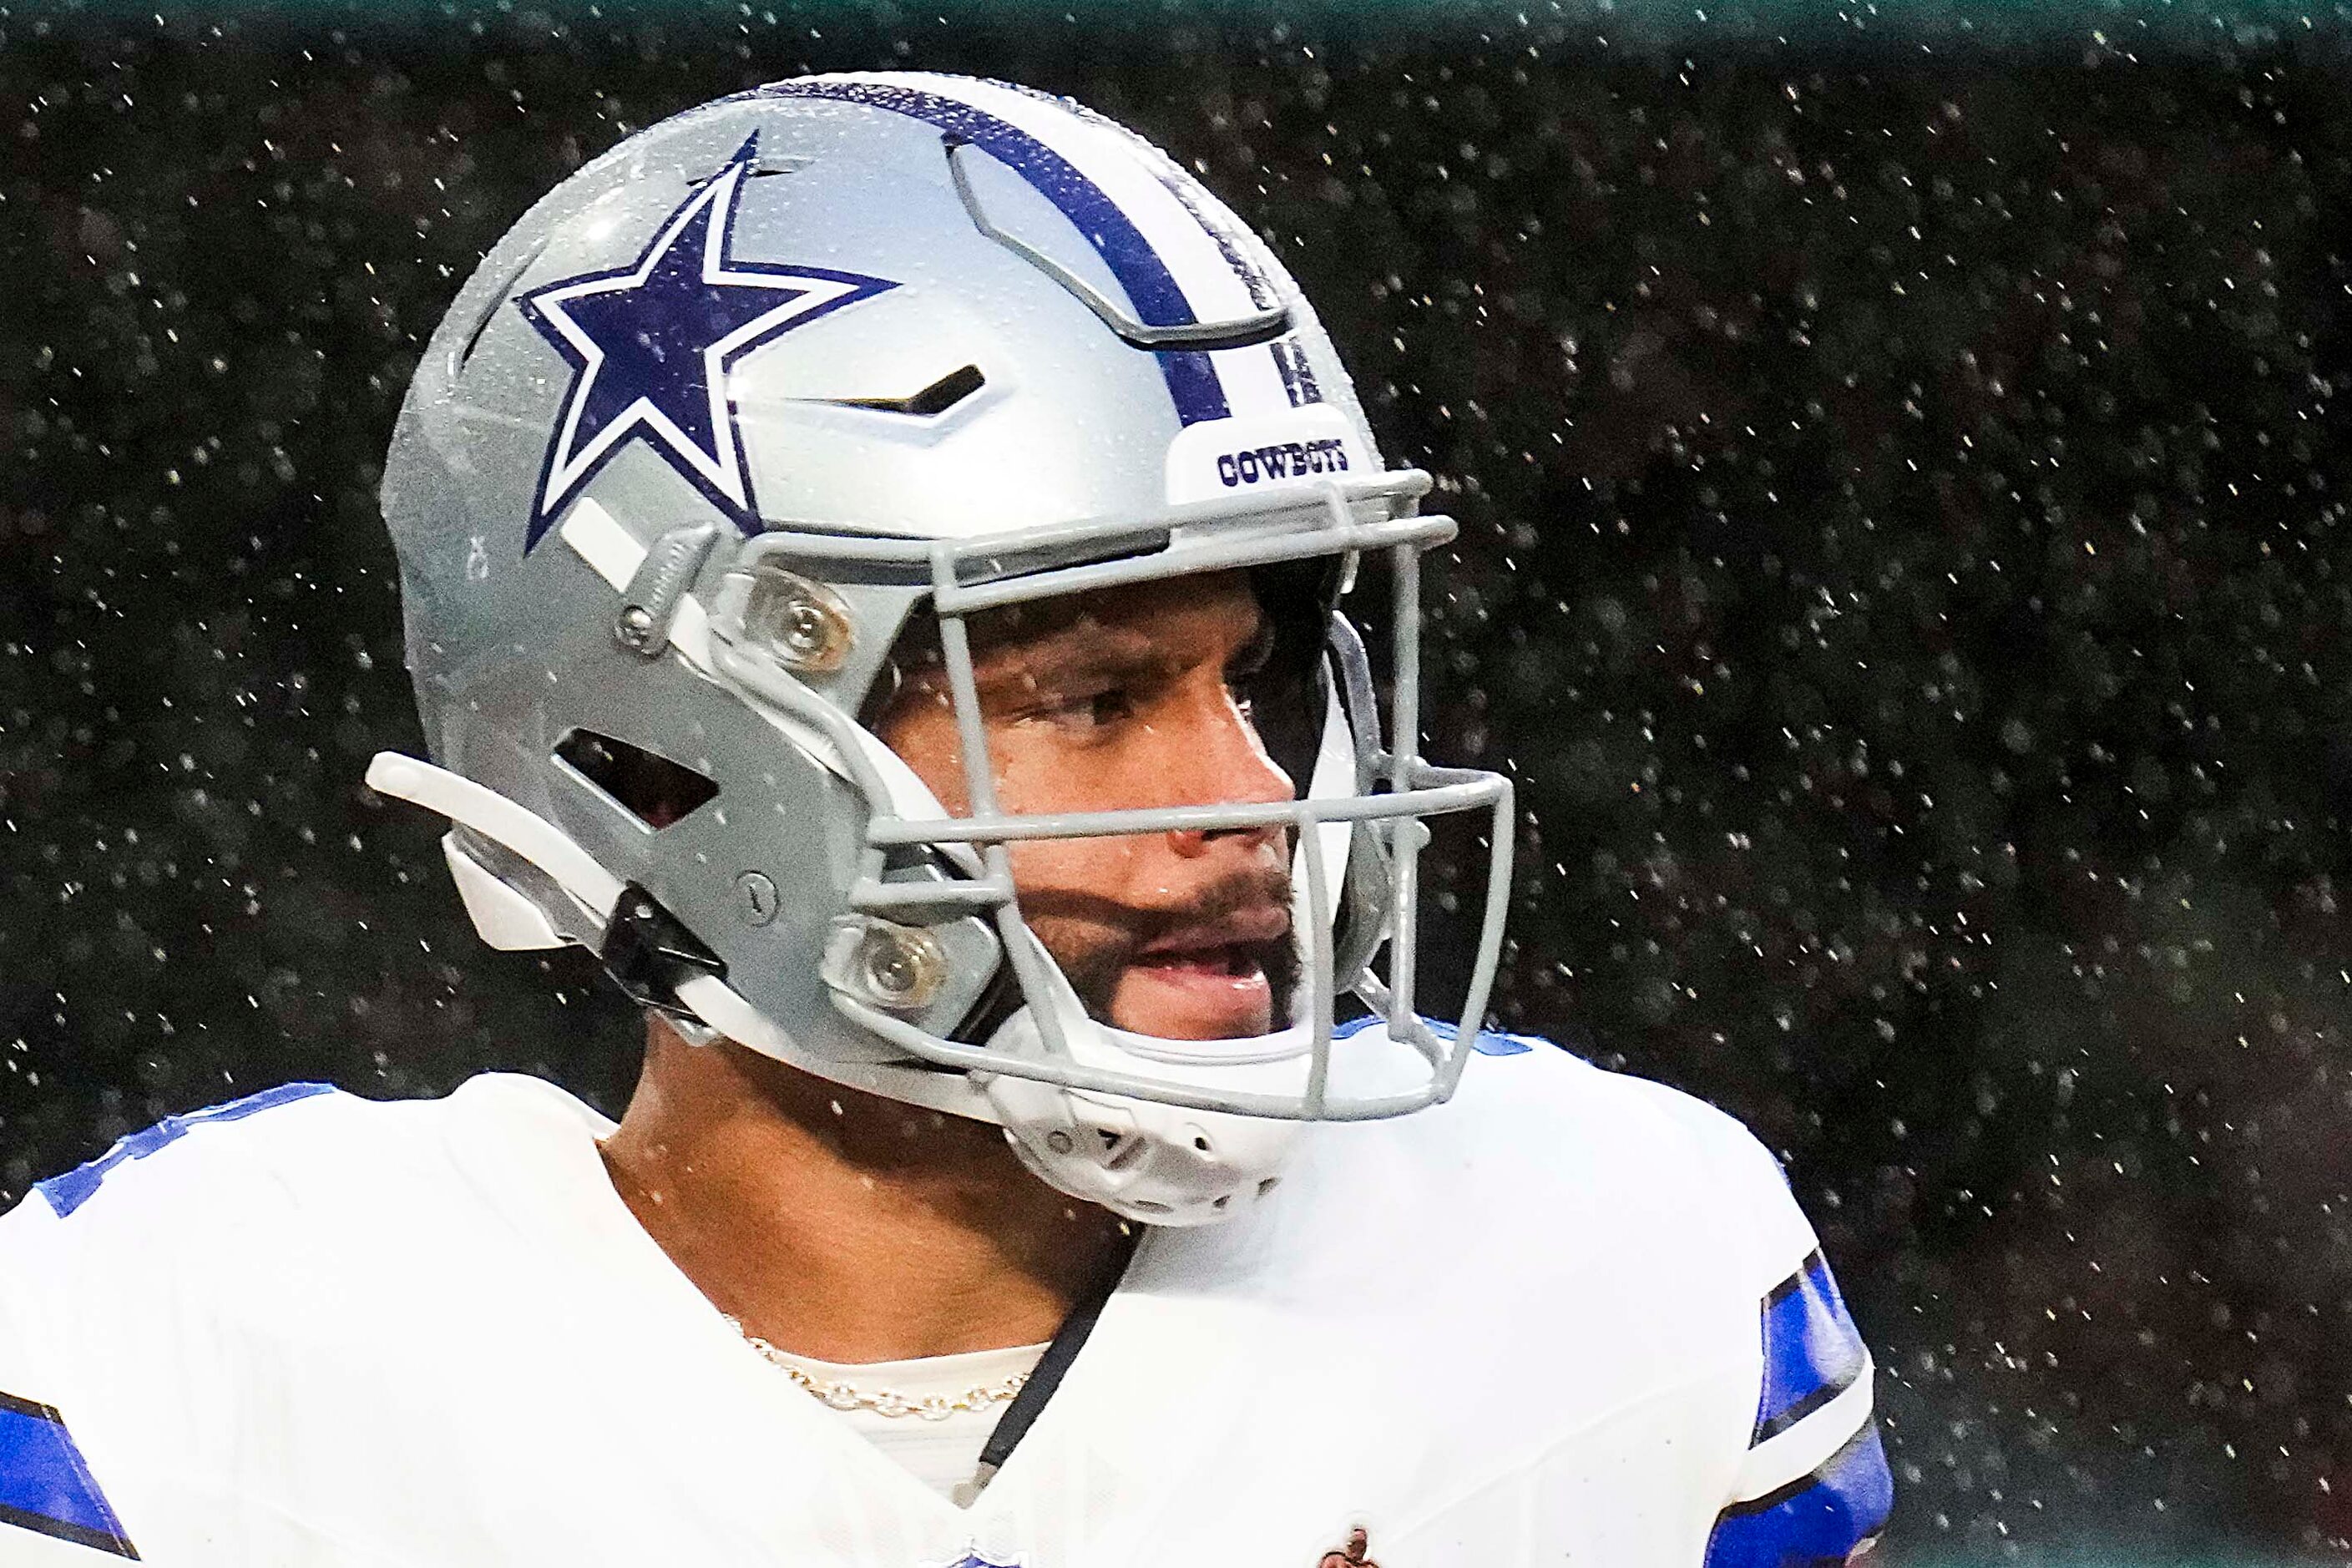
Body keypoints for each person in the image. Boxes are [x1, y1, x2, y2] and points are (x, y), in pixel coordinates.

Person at [0, 73, 1890, 1566]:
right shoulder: (184, 1363)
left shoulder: (1607, 1254)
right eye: (1089, 698)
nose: (1244, 797)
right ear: (663, 755)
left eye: (1256, 678)